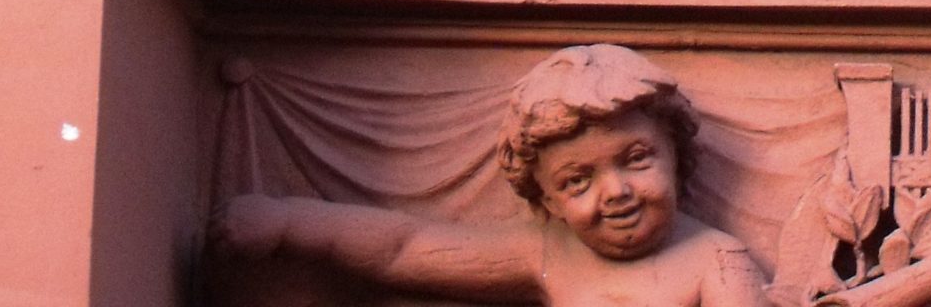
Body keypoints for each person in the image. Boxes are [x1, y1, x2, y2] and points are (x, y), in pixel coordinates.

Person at [212, 44, 771, 307]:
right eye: (577, 182)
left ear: (676, 154)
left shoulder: (716, 259)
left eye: (637, 159)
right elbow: (405, 248)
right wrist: (289, 223)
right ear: (547, 202)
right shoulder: (549, 252)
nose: (616, 192)